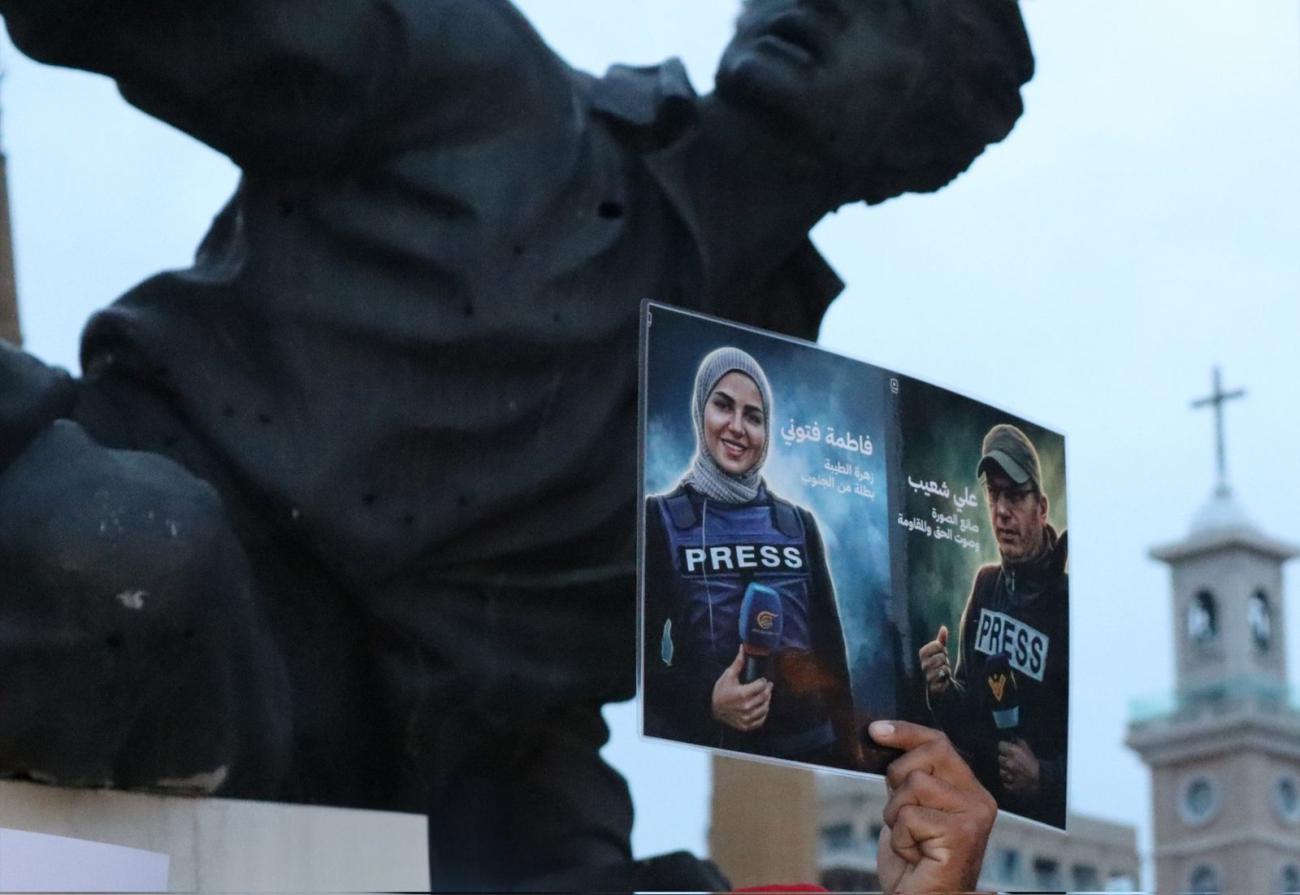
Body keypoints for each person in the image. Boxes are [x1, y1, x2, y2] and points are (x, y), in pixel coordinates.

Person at [0, 0, 1033, 888]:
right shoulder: (486, 85)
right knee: (127, 548)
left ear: (929, 140)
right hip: (93, 507)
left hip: (289, 741)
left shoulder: (779, 449)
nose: (817, 8)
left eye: (893, 8)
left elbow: (529, 734)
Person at [643, 347, 858, 768]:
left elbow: (833, 660)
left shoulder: (797, 524)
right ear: (699, 410)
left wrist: (851, 757)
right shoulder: (661, 520)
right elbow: (643, 668)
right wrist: (708, 701)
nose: (737, 427)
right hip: (716, 761)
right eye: (723, 406)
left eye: (753, 416)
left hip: (807, 757)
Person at [917, 424, 1069, 827]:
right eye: (993, 494)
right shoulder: (986, 586)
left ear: (1042, 507)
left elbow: (1094, 742)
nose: (1001, 511)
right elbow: (970, 720)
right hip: (984, 823)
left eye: (1015, 496)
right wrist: (943, 690)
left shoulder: (1066, 602)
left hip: (1042, 834)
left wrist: (1045, 777)